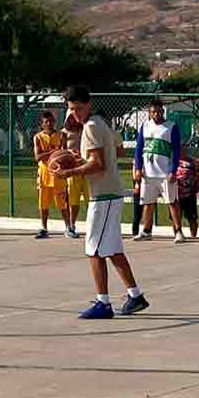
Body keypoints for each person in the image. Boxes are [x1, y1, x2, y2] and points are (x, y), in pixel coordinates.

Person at [52, 85, 149, 319]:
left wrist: (70, 172)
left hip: (104, 196)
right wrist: (78, 161)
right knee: (113, 250)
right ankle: (135, 296)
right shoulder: (96, 124)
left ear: (89, 105)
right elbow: (99, 159)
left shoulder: (92, 126)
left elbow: (98, 164)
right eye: (71, 109)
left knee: (93, 250)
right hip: (109, 193)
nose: (75, 113)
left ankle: (103, 303)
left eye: (78, 108)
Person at [132, 100, 185, 244]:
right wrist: (138, 168)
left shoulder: (171, 127)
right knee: (148, 203)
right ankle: (146, 231)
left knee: (172, 202)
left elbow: (176, 150)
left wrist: (173, 171)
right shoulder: (145, 126)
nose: (156, 114)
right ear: (150, 112)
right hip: (148, 174)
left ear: (163, 111)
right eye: (153, 112)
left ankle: (178, 231)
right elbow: (139, 149)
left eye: (159, 111)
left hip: (165, 173)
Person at [32, 111, 69, 239]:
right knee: (43, 203)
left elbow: (65, 153)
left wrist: (58, 155)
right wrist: (54, 152)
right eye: (46, 121)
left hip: (58, 173)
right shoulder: (38, 137)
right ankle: (43, 228)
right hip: (44, 173)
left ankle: (68, 227)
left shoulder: (62, 135)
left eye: (51, 121)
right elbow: (38, 157)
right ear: (42, 124)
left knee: (63, 203)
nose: (49, 123)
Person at [62, 112, 87, 239]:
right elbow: (61, 151)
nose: (73, 120)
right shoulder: (64, 133)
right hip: (73, 170)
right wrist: (70, 153)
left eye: (74, 117)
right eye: (70, 117)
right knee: (73, 201)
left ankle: (94, 226)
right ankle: (71, 226)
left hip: (86, 168)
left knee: (91, 200)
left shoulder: (85, 129)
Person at [175, 154, 199, 238]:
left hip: (189, 195)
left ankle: (193, 236)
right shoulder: (171, 159)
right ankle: (177, 234)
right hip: (175, 195)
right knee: (175, 218)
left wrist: (196, 189)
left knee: (192, 218)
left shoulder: (192, 161)